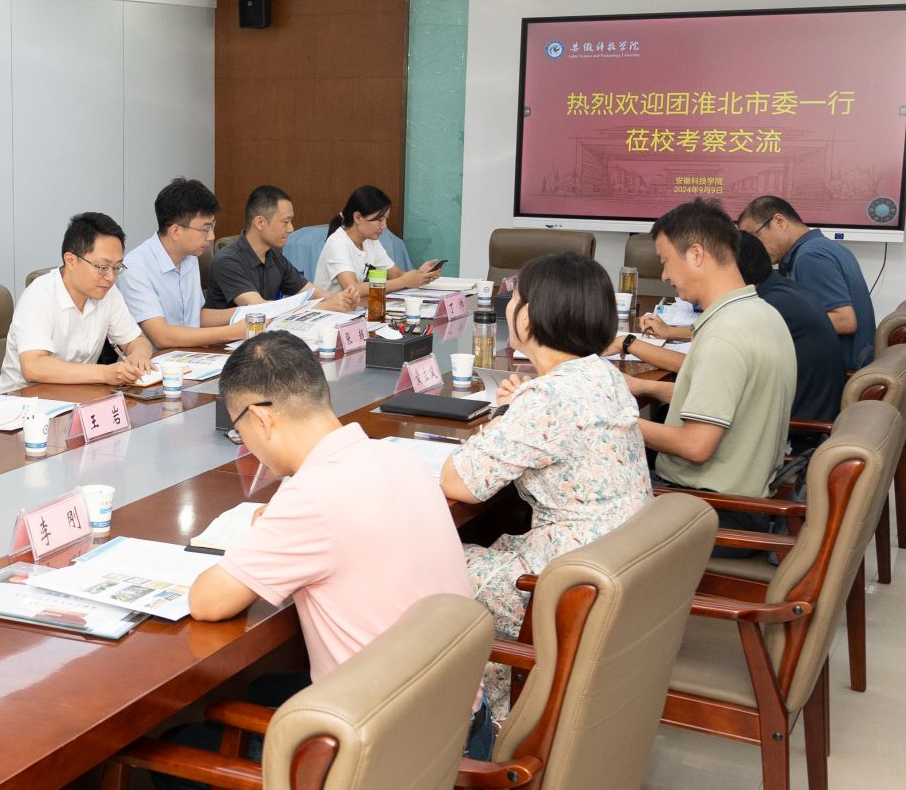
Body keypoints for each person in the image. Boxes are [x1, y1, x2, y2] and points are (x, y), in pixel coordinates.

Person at [156, 330, 483, 790]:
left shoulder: (310, 496)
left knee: (178, 750)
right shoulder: (397, 458)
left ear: (261, 418)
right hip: (457, 724)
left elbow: (208, 601)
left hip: (386, 759)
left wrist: (264, 534)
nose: (246, 445)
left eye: (239, 431)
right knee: (266, 689)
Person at [442, 253, 650, 714]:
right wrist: (521, 408)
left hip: (562, 584)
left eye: (514, 298)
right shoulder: (602, 374)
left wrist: (512, 415)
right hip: (614, 564)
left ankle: (474, 713)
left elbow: (458, 482)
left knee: (428, 563)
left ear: (528, 317)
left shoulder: (549, 396)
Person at [628, 201, 795, 540]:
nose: (664, 276)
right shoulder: (760, 313)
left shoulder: (724, 336)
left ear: (696, 254)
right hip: (745, 498)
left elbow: (695, 446)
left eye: (665, 261)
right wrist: (644, 387)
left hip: (712, 511)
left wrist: (610, 420)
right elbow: (728, 398)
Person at [619, 233, 845, 444]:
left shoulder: (756, 313)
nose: (665, 276)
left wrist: (628, 344)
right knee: (664, 415)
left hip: (792, 431)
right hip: (783, 413)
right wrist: (646, 383)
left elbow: (695, 369)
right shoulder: (777, 295)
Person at [0, 212, 157, 394]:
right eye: (102, 267)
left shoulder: (108, 292)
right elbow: (34, 366)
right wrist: (104, 373)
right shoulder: (40, 295)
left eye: (117, 267)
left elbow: (137, 340)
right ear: (71, 260)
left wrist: (139, 356)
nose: (111, 277)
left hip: (78, 395)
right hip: (24, 401)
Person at [738, 195, 876, 370]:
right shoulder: (824, 247)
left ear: (779, 221)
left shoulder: (810, 256)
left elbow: (845, 321)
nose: (754, 248)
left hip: (839, 370)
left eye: (755, 237)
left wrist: (774, 322)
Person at [117, 177, 251, 351]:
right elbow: (162, 337)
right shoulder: (135, 267)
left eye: (212, 226)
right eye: (205, 229)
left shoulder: (189, 256)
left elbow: (196, 317)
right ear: (175, 231)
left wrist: (249, 312)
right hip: (154, 362)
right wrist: (234, 332)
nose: (211, 236)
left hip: (191, 355)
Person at [210, 184, 360, 312]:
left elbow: (310, 291)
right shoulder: (228, 260)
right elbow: (260, 308)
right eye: (285, 222)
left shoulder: (274, 256)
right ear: (260, 223)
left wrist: (342, 298)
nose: (291, 229)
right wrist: (323, 306)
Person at [314, 185, 444, 296]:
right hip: (333, 313)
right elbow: (353, 288)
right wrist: (404, 281)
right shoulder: (338, 243)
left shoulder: (370, 240)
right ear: (358, 217)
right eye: (380, 220)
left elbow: (397, 275)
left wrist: (420, 275)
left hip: (356, 310)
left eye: (386, 219)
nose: (384, 226)